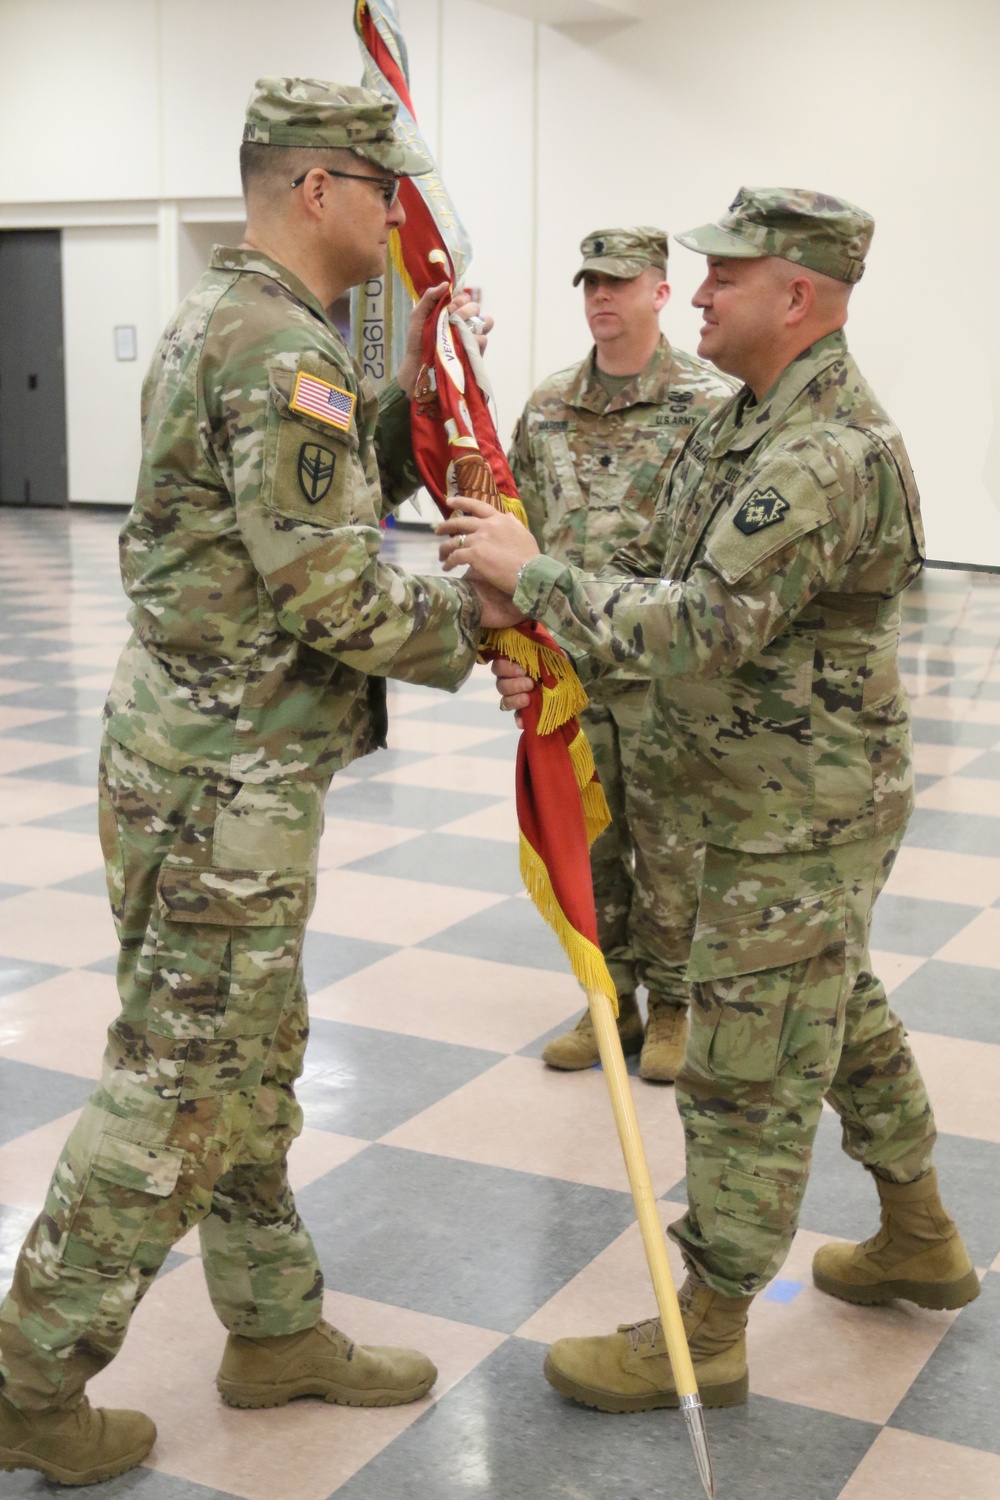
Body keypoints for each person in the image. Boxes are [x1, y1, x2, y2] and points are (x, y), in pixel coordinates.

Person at [0, 77, 513, 1486]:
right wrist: (501, 624)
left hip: (198, 763)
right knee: (180, 1082)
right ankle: (30, 1374)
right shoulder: (268, 350)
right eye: (381, 192)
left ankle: (275, 1327)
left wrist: (417, 396)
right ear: (315, 192)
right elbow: (335, 592)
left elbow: (310, 493)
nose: (398, 220)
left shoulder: (248, 330)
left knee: (248, 1055)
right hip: (225, 784)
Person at [438, 187, 980, 1413]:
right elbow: (657, 573)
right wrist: (529, 594)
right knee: (832, 1005)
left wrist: (537, 576)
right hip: (753, 793)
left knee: (744, 1070)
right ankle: (920, 1234)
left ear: (797, 296)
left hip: (792, 811)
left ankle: (710, 1328)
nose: (695, 293)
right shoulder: (745, 420)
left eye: (724, 275)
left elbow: (701, 624)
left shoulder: (822, 453)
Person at [509, 227, 735, 1081]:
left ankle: (676, 1003)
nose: (601, 297)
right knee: (589, 838)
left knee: (670, 838)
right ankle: (612, 998)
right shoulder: (548, 405)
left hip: (665, 672)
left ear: (659, 292)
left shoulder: (711, 402)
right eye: (589, 284)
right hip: (570, 671)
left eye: (620, 282)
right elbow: (518, 525)